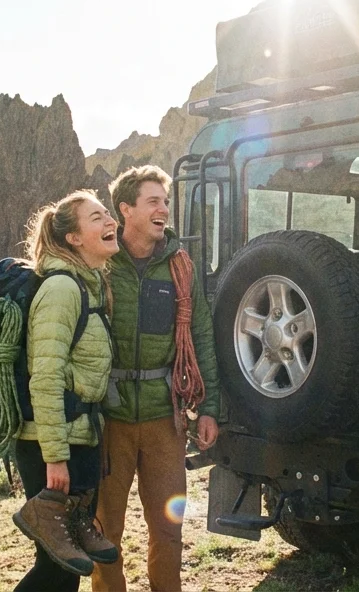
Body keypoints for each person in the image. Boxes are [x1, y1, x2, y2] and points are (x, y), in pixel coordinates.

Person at [92, 166, 221, 592]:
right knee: (104, 530)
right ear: (125, 209)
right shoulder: (101, 267)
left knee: (168, 530)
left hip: (166, 420)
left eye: (165, 201)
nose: (163, 209)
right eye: (153, 201)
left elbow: (201, 334)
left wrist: (209, 409)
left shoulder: (180, 267)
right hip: (109, 420)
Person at [11, 190, 122, 591]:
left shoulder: (89, 285)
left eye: (107, 214)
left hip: (81, 438)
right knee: (54, 568)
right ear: (73, 238)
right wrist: (55, 459)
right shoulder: (62, 290)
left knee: (69, 567)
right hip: (52, 444)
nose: (110, 221)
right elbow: (45, 379)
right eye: (97, 218)